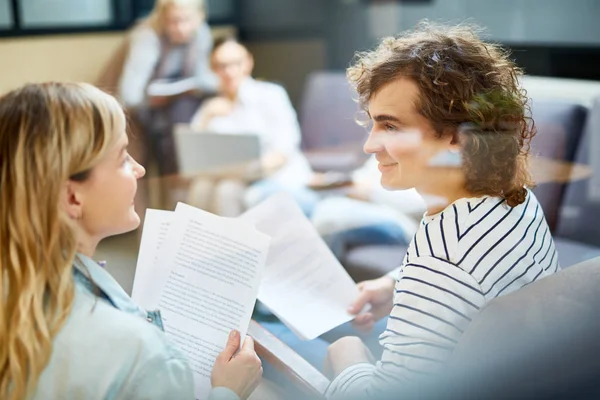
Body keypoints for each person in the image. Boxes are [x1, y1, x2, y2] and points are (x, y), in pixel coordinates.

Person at [316, 22, 560, 397]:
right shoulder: (514, 197)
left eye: (391, 126)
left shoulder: (441, 259)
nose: (369, 145)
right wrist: (395, 285)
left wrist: (345, 355)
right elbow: (472, 275)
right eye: (373, 123)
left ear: (455, 135)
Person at [0, 82, 261, 400]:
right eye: (123, 158)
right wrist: (228, 391)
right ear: (72, 196)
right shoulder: (144, 358)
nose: (139, 169)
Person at [188, 36, 318, 217]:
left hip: (270, 176)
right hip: (226, 176)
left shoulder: (270, 95)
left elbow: (284, 150)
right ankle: (196, 243)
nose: (229, 71)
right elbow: (192, 157)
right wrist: (207, 117)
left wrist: (242, 171)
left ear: (248, 62)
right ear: (213, 69)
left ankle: (231, 245)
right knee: (201, 186)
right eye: (221, 66)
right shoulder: (210, 107)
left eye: (236, 63)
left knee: (227, 190)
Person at [119, 0, 217, 175]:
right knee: (135, 167)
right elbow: (130, 95)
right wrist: (153, 100)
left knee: (189, 111)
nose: (180, 27)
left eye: (186, 20)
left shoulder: (201, 34)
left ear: (200, 17)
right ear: (163, 18)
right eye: (173, 21)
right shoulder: (147, 37)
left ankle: (184, 180)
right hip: (138, 109)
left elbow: (203, 78)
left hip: (177, 110)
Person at [312, 155, 426, 261]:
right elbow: (364, 175)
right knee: (305, 201)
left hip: (404, 220)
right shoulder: (388, 141)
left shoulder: (426, 149)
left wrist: (370, 192)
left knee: (328, 216)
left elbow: (422, 203)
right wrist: (334, 180)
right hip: (365, 202)